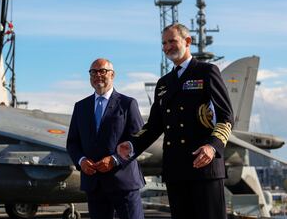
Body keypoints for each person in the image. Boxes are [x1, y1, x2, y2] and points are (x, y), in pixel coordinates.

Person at [117, 23, 234, 219]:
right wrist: (132, 144)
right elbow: (154, 126)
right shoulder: (163, 83)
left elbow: (226, 117)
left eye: (172, 41)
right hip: (176, 170)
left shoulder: (207, 72)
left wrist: (212, 147)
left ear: (187, 41)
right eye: (164, 43)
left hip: (204, 167)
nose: (167, 47)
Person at [66, 58, 145, 219]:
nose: (97, 75)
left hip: (123, 183)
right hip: (94, 184)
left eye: (102, 71)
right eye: (93, 72)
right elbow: (72, 142)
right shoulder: (81, 107)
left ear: (112, 75)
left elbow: (139, 141)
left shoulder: (128, 104)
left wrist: (115, 159)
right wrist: (81, 161)